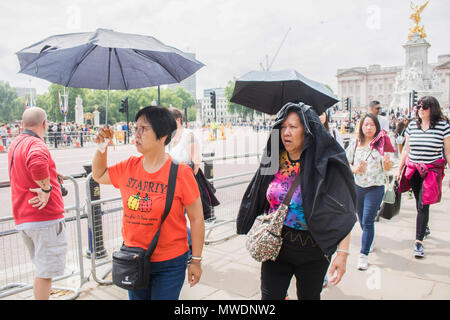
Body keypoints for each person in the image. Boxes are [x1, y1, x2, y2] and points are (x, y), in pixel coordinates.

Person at [237, 102, 356, 300]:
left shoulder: (325, 163)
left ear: (307, 130)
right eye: (283, 127)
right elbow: (259, 193)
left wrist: (342, 254)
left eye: (293, 127)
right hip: (275, 246)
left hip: (314, 251)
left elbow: (344, 211)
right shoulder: (273, 158)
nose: (286, 133)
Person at [92, 106, 205, 300]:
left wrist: (196, 260)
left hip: (170, 262)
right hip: (134, 259)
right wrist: (102, 148)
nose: (137, 134)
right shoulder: (129, 166)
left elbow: (196, 219)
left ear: (162, 137)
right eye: (136, 128)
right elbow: (99, 175)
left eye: (144, 129)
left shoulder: (181, 173)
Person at [8, 107, 67, 300]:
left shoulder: (15, 143)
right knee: (45, 273)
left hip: (25, 216)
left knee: (41, 269)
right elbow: (36, 163)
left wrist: (52, 176)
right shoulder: (36, 144)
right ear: (44, 124)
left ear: (22, 124)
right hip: (44, 217)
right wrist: (46, 188)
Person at [397, 96, 450, 258]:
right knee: (419, 202)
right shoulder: (412, 125)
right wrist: (399, 170)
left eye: (424, 107)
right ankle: (424, 226)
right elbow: (406, 150)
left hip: (431, 171)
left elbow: (447, 152)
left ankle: (418, 242)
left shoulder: (443, 127)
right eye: (419, 106)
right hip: (413, 170)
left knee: (423, 204)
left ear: (432, 109)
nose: (420, 109)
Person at [346, 114, 392, 270]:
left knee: (367, 220)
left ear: (377, 127)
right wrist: (355, 169)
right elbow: (346, 163)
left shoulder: (382, 144)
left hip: (375, 187)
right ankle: (369, 238)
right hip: (358, 187)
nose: (369, 127)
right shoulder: (355, 143)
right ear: (361, 126)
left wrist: (386, 163)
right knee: (362, 221)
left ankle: (363, 254)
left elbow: (387, 168)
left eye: (372, 125)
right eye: (366, 124)